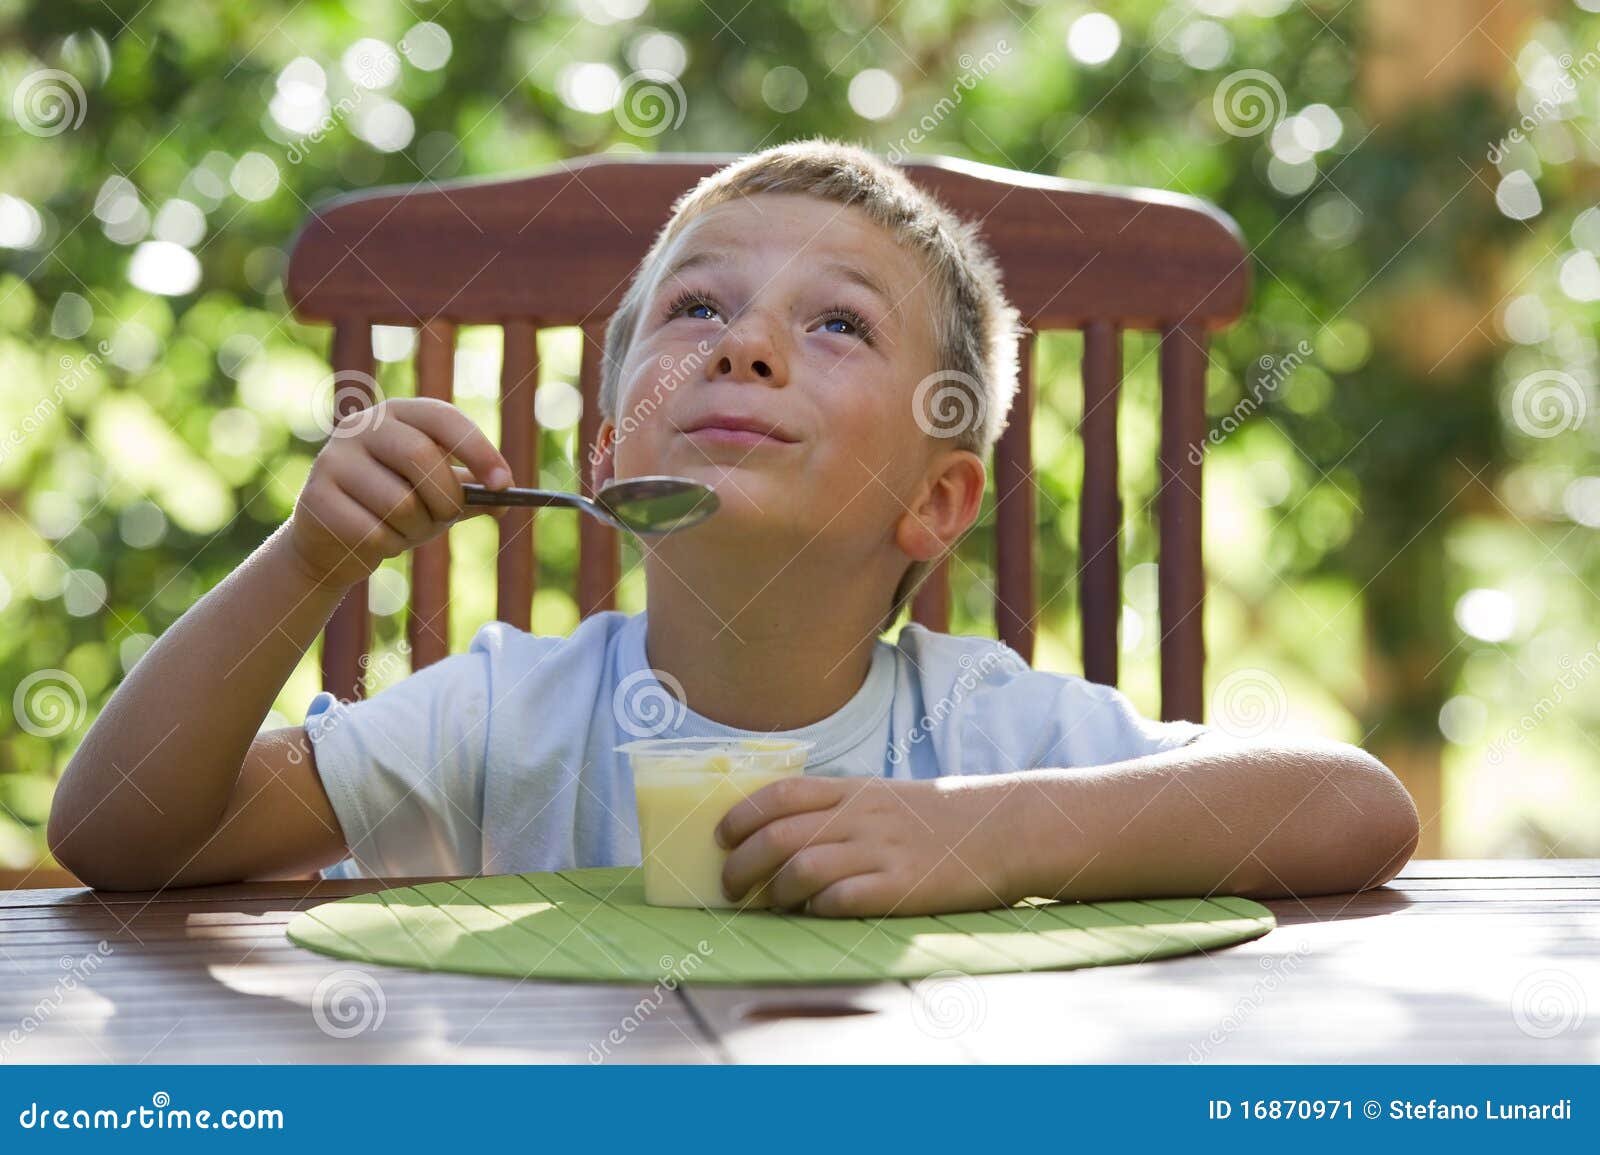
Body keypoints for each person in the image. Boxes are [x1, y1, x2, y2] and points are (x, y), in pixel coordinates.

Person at [48, 138, 1419, 916]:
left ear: (935, 502)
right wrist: (304, 565)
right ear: (608, 454)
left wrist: (987, 838)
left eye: (839, 324)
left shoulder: (984, 733)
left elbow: (1352, 804)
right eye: (696, 307)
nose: (744, 343)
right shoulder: (500, 718)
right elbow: (119, 837)